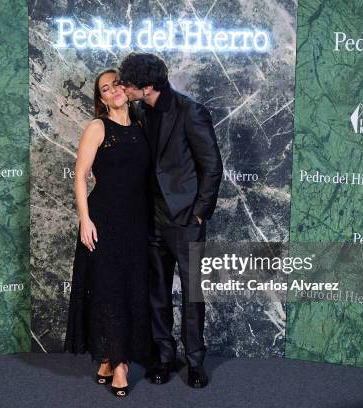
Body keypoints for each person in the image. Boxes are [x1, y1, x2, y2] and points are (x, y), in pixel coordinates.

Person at [118, 53, 223, 388]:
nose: (124, 87)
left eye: (129, 83)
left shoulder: (190, 111)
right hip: (149, 217)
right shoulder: (138, 110)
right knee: (157, 292)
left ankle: (194, 362)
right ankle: (164, 357)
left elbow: (212, 166)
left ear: (147, 86)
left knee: (192, 294)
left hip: (185, 219)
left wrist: (199, 211)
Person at [64, 69, 151, 398]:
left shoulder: (142, 127)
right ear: (101, 99)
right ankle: (119, 366)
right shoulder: (97, 127)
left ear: (126, 89)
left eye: (117, 84)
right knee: (109, 291)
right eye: (105, 88)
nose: (113, 90)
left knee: (131, 290)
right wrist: (85, 219)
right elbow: (80, 176)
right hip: (103, 221)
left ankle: (110, 357)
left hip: (136, 222)